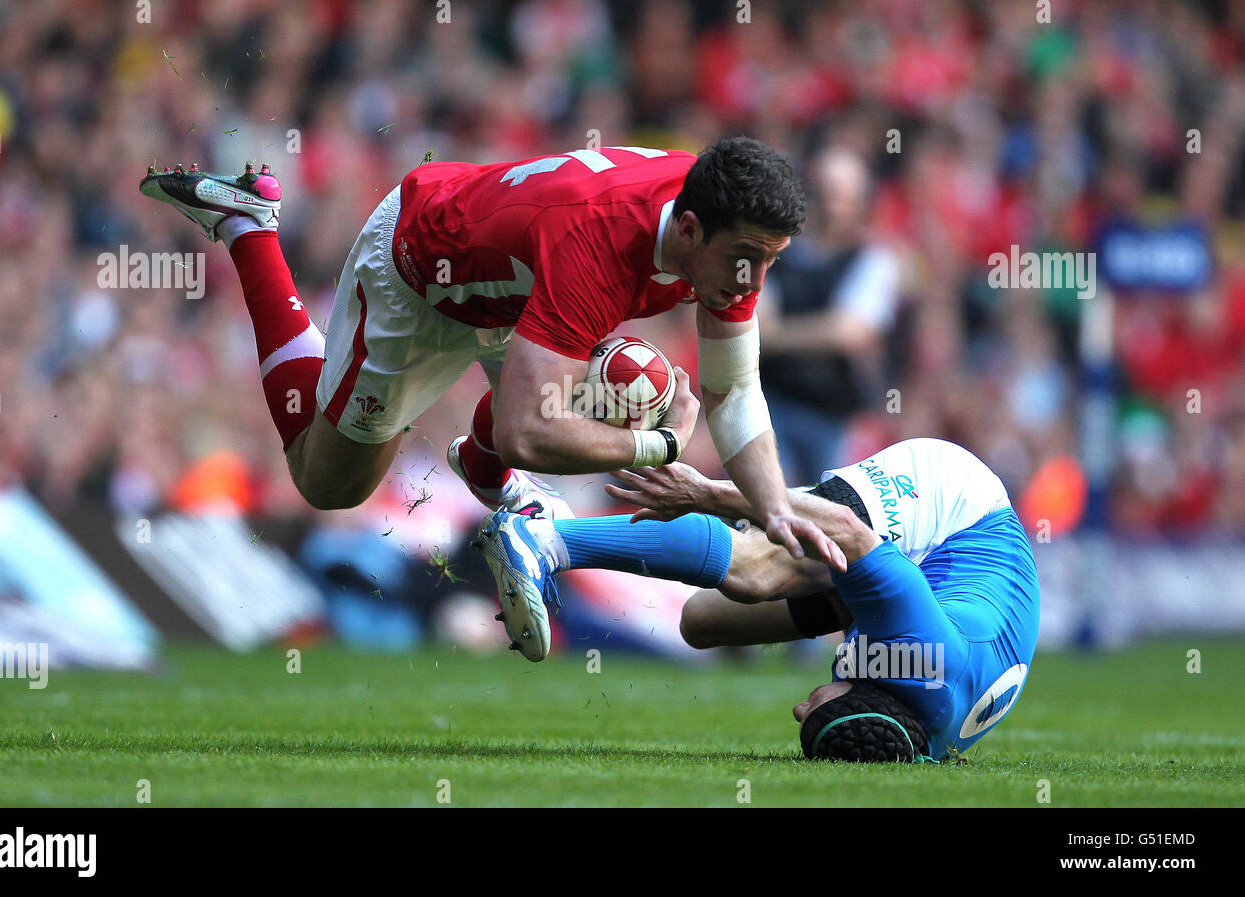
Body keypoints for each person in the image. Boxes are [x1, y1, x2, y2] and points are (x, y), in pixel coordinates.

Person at [140, 140, 824, 653]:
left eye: (770, 259)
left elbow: (733, 390)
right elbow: (532, 430)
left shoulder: (723, 227)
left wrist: (776, 515)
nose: (755, 278)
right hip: (420, 276)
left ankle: (489, 471)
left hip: (521, 288)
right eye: (748, 257)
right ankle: (252, 228)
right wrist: (663, 446)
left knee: (628, 386)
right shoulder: (601, 239)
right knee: (328, 482)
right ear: (689, 230)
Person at [476, 438, 1039, 762]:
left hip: (931, 588)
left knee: (703, 622)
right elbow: (844, 528)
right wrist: (710, 494)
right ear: (865, 694)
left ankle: (564, 529)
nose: (798, 706)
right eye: (813, 709)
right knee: (757, 573)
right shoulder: (922, 650)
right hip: (953, 511)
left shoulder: (918, 738)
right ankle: (546, 539)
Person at [757, 148, 901, 482]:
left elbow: (850, 333)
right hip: (770, 406)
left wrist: (779, 335)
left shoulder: (875, 259)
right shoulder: (774, 250)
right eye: (824, 193)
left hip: (837, 417)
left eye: (843, 196)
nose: (832, 204)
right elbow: (758, 326)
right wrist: (821, 330)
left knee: (835, 508)